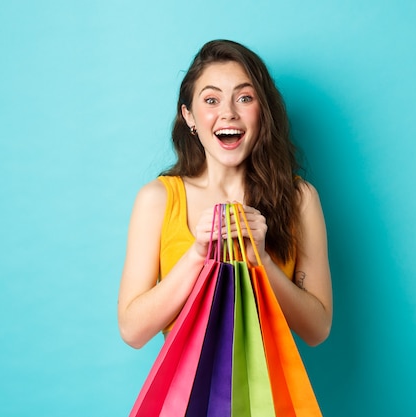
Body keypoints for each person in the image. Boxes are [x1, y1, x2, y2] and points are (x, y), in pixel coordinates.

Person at [117, 39, 332, 349]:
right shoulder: (157, 199)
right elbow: (132, 331)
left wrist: (263, 263)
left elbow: (318, 329)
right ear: (189, 116)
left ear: (263, 112)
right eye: (211, 100)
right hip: (187, 397)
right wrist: (197, 256)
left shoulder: (300, 198)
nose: (228, 113)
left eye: (245, 98)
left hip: (273, 397)